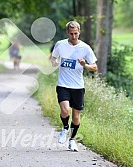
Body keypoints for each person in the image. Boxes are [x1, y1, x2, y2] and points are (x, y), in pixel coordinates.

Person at [50, 21, 98, 151]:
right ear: (67, 33)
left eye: (76, 33)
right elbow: (52, 57)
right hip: (63, 84)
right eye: (71, 34)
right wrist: (54, 62)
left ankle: (72, 140)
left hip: (78, 86)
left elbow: (94, 67)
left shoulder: (85, 48)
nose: (74, 36)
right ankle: (65, 128)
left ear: (79, 31)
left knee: (76, 116)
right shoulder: (60, 44)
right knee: (65, 110)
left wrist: (85, 65)